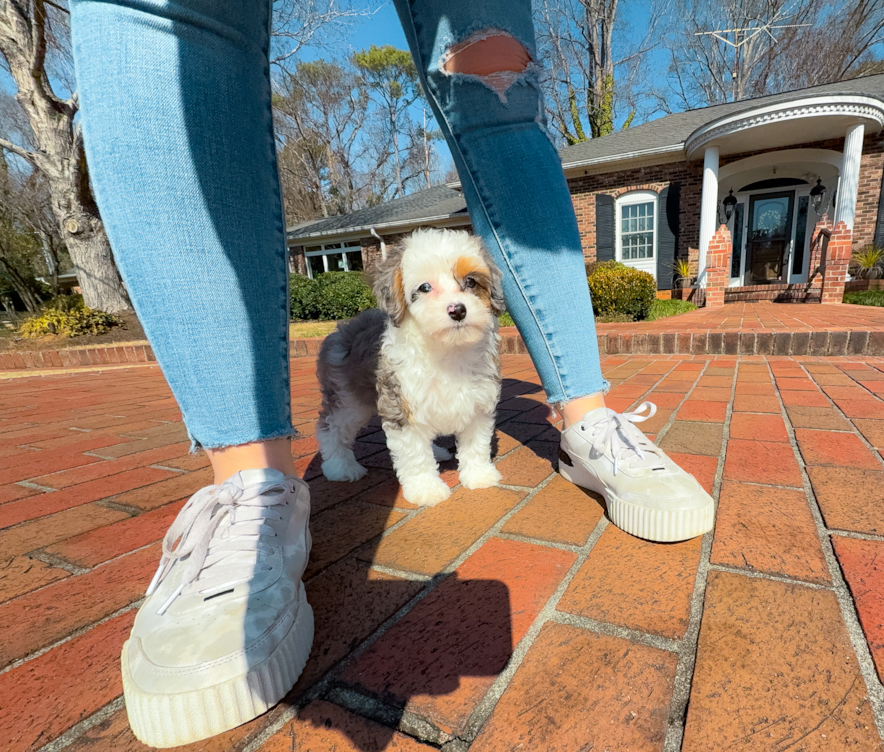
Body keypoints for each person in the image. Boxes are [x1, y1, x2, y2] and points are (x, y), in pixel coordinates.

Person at [71, 0, 715, 745]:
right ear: (399, 300)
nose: (454, 303)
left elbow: (481, 411)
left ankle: (587, 418)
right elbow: (401, 421)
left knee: (497, 75)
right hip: (375, 383)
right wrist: (408, 469)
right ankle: (250, 488)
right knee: (167, 17)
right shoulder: (377, 340)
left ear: (490, 292)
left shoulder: (478, 338)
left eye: (471, 286)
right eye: (428, 290)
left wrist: (474, 453)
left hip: (463, 391)